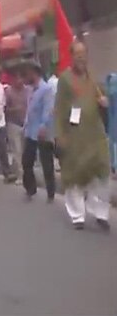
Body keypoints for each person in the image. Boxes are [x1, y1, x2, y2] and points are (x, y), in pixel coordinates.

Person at [55, 41, 111, 231]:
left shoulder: (93, 76)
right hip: (75, 136)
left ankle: (101, 213)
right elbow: (59, 109)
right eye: (77, 54)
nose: (81, 57)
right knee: (75, 176)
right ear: (71, 57)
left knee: (102, 173)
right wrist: (60, 134)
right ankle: (77, 214)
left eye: (83, 53)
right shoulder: (65, 79)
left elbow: (103, 99)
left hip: (95, 133)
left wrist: (104, 102)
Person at [22, 61, 56, 203]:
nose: (27, 76)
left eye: (29, 73)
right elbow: (29, 109)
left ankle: (50, 193)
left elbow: (48, 108)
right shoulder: (31, 90)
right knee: (27, 161)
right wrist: (25, 124)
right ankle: (31, 188)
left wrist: (44, 125)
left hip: (42, 131)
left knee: (46, 163)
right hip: (30, 131)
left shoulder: (46, 89)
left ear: (35, 73)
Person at [5, 70, 30, 184]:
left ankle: (20, 172)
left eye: (21, 79)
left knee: (25, 151)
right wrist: (15, 109)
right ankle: (20, 176)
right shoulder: (8, 92)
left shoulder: (28, 91)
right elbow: (5, 109)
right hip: (13, 124)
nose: (19, 81)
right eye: (16, 79)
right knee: (17, 150)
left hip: (26, 123)